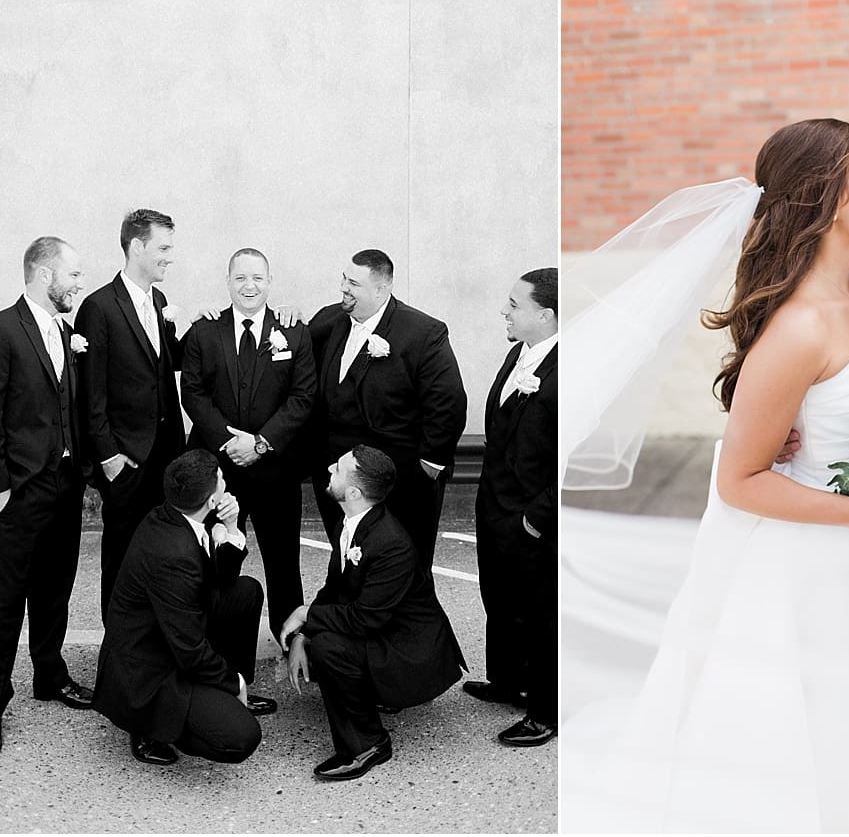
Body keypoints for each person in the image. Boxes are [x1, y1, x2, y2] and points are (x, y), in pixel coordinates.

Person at [561, 119, 849, 831]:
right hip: (805, 565)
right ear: (825, 198)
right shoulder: (799, 325)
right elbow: (740, 479)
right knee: (794, 741)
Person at [0, 237, 94, 759]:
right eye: (73, 274)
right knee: (4, 600)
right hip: (18, 492)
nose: (79, 283)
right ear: (44, 275)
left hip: (64, 485)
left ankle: (49, 674)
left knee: (55, 587)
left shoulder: (65, 332)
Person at [280, 445, 467, 782]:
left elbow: (365, 618)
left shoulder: (390, 543)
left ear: (354, 492)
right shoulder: (350, 522)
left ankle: (368, 744)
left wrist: (306, 614)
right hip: (382, 626)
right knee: (320, 639)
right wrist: (302, 635)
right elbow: (335, 590)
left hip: (410, 651)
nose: (329, 468)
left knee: (329, 648)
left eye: (338, 468)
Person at [93, 450, 276, 766]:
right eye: (221, 479)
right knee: (241, 736)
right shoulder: (174, 555)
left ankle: (224, 690)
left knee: (246, 592)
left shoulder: (175, 513)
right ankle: (148, 726)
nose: (225, 481)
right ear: (210, 499)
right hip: (148, 668)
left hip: (172, 629)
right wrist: (234, 682)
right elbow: (189, 649)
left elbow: (222, 581)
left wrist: (231, 527)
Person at [180, 248, 316, 643]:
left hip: (276, 469)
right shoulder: (205, 331)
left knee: (283, 559)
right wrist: (229, 442)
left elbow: (302, 397)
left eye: (257, 278)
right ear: (228, 282)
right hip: (219, 472)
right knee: (217, 556)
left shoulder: (294, 331)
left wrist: (259, 443)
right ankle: (212, 639)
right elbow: (193, 393)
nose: (249, 286)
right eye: (240, 278)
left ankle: (291, 637)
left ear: (269, 282)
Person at [305, 249, 467, 572]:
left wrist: (429, 466)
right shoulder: (328, 320)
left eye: (354, 283)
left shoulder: (423, 332)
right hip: (337, 478)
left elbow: (449, 402)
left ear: (382, 289)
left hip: (398, 482)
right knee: (346, 564)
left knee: (404, 568)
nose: (343, 288)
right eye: (344, 279)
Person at [75, 208, 186, 618]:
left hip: (165, 455)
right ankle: (118, 642)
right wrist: (109, 458)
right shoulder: (99, 307)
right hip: (126, 460)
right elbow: (92, 393)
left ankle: (155, 637)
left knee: (162, 553)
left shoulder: (159, 301)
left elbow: (165, 363)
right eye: (163, 248)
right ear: (137, 246)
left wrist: (206, 324)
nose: (170, 257)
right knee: (122, 555)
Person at [464, 268, 558, 747]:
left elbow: (573, 460)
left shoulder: (568, 371)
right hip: (494, 508)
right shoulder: (516, 354)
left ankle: (545, 710)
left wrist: (536, 520)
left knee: (541, 614)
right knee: (499, 600)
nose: (505, 310)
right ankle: (507, 680)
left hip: (533, 519)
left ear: (546, 316)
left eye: (515, 305)